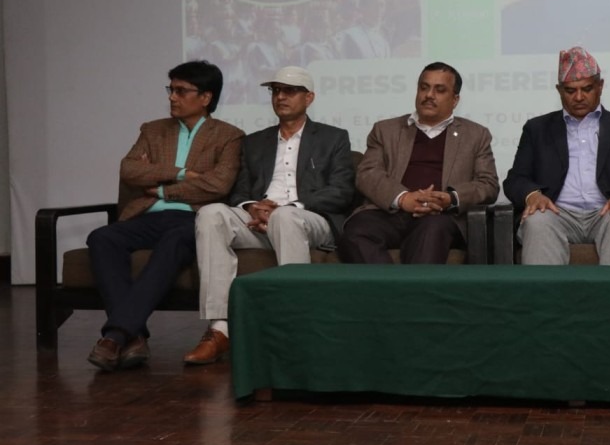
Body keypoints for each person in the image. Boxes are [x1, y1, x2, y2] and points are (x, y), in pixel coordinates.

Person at [185, 66, 356, 364]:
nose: (280, 97)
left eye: (290, 91)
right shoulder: (255, 141)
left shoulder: (333, 138)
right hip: (259, 220)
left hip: (310, 219)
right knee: (211, 214)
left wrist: (289, 207)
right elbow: (238, 192)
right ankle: (220, 328)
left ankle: (293, 327)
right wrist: (253, 206)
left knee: (285, 217)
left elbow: (341, 192)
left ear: (309, 97)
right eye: (276, 91)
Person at [86, 60, 244, 371]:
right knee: (102, 237)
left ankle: (116, 335)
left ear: (206, 97)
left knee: (174, 240)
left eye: (181, 91)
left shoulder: (229, 136)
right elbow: (130, 169)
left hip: (193, 219)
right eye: (170, 89)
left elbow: (218, 185)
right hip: (146, 216)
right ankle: (134, 336)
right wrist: (182, 173)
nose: (172, 97)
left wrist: (161, 189)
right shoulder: (153, 130)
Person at [503, 46, 610, 265]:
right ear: (559, 90)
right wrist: (533, 195)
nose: (578, 97)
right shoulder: (537, 129)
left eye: (587, 89)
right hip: (556, 212)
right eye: (570, 90)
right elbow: (516, 178)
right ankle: (543, 289)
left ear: (600, 86)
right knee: (537, 220)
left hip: (607, 211)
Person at [339, 61, 499, 264]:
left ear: (455, 99)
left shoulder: (476, 135)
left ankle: (412, 286)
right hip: (389, 212)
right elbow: (367, 173)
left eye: (439, 90)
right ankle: (386, 284)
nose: (429, 95)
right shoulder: (385, 130)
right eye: (424, 87)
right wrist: (403, 198)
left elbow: (488, 184)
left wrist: (450, 198)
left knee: (431, 231)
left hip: (439, 216)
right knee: (356, 232)